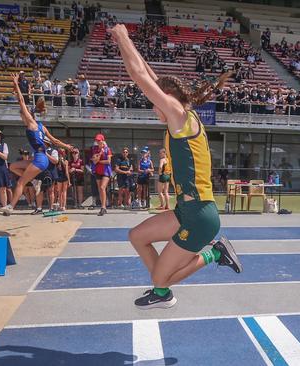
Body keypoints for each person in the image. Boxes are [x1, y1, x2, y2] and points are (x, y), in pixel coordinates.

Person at [109, 24, 241, 309]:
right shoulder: (182, 115)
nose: (153, 108)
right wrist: (130, 43)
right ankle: (161, 289)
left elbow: (139, 75)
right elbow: (148, 75)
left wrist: (122, 37)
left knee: (161, 277)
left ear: (169, 100)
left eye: (156, 103)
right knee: (137, 236)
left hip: (199, 215)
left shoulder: (179, 116)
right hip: (186, 209)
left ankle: (212, 256)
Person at [2, 75, 72, 215]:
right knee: (13, 166)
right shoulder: (41, 126)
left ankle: (10, 206)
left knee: (21, 182)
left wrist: (16, 84)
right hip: (38, 158)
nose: (22, 116)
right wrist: (67, 146)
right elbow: (55, 141)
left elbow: (21, 100)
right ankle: (34, 181)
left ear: (28, 115)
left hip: (40, 158)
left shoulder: (31, 123)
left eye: (23, 114)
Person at [91, 133, 112, 216]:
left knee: (103, 187)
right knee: (100, 189)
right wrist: (100, 154)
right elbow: (94, 161)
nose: (98, 141)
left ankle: (103, 207)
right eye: (97, 140)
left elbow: (108, 161)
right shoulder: (95, 149)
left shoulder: (108, 149)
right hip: (98, 171)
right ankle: (104, 207)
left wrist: (99, 161)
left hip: (106, 171)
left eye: (99, 140)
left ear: (103, 140)